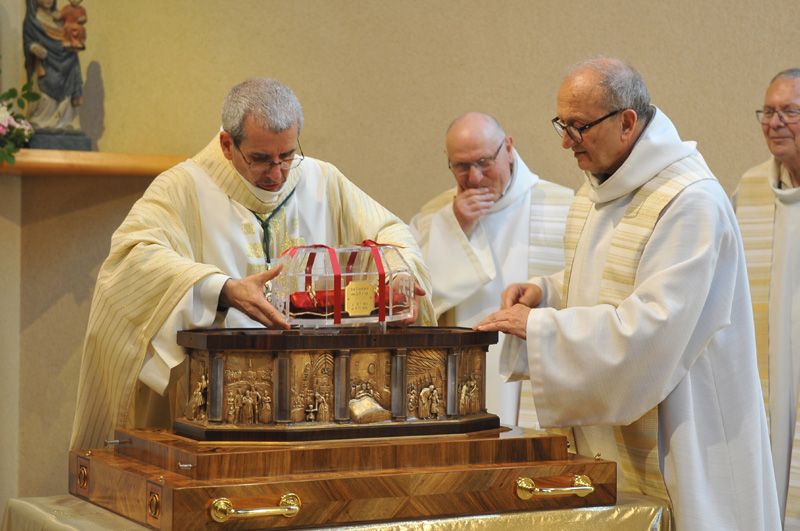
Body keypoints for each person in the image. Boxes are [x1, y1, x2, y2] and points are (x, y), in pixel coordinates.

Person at [476, 57, 780, 529]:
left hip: (685, 429)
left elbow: (652, 330)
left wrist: (538, 328)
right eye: (562, 124)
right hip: (615, 437)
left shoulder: (688, 200)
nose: (564, 141)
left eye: (578, 127)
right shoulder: (598, 190)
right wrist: (547, 293)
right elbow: (604, 284)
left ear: (627, 122)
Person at [70, 78, 434, 450]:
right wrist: (222, 289)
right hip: (216, 406)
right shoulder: (182, 187)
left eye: (287, 156)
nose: (277, 174)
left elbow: (391, 231)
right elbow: (132, 258)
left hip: (316, 394)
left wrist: (397, 276)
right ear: (228, 145)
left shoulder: (321, 180)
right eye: (260, 159)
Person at [409, 113, 572, 425]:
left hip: (532, 373)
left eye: (484, 162)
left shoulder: (564, 207)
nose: (474, 177)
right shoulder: (435, 216)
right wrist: (453, 227)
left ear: (508, 148)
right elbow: (419, 300)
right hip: (460, 378)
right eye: (461, 166)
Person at [736, 68, 800, 527]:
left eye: (789, 111)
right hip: (765, 374)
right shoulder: (751, 189)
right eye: (768, 111)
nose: (775, 123)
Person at [23, 0, 84, 130]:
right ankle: (43, 121)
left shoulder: (60, 16)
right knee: (46, 94)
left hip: (67, 63)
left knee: (66, 98)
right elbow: (28, 41)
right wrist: (34, 47)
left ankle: (65, 121)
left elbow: (72, 32)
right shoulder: (32, 20)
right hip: (45, 65)